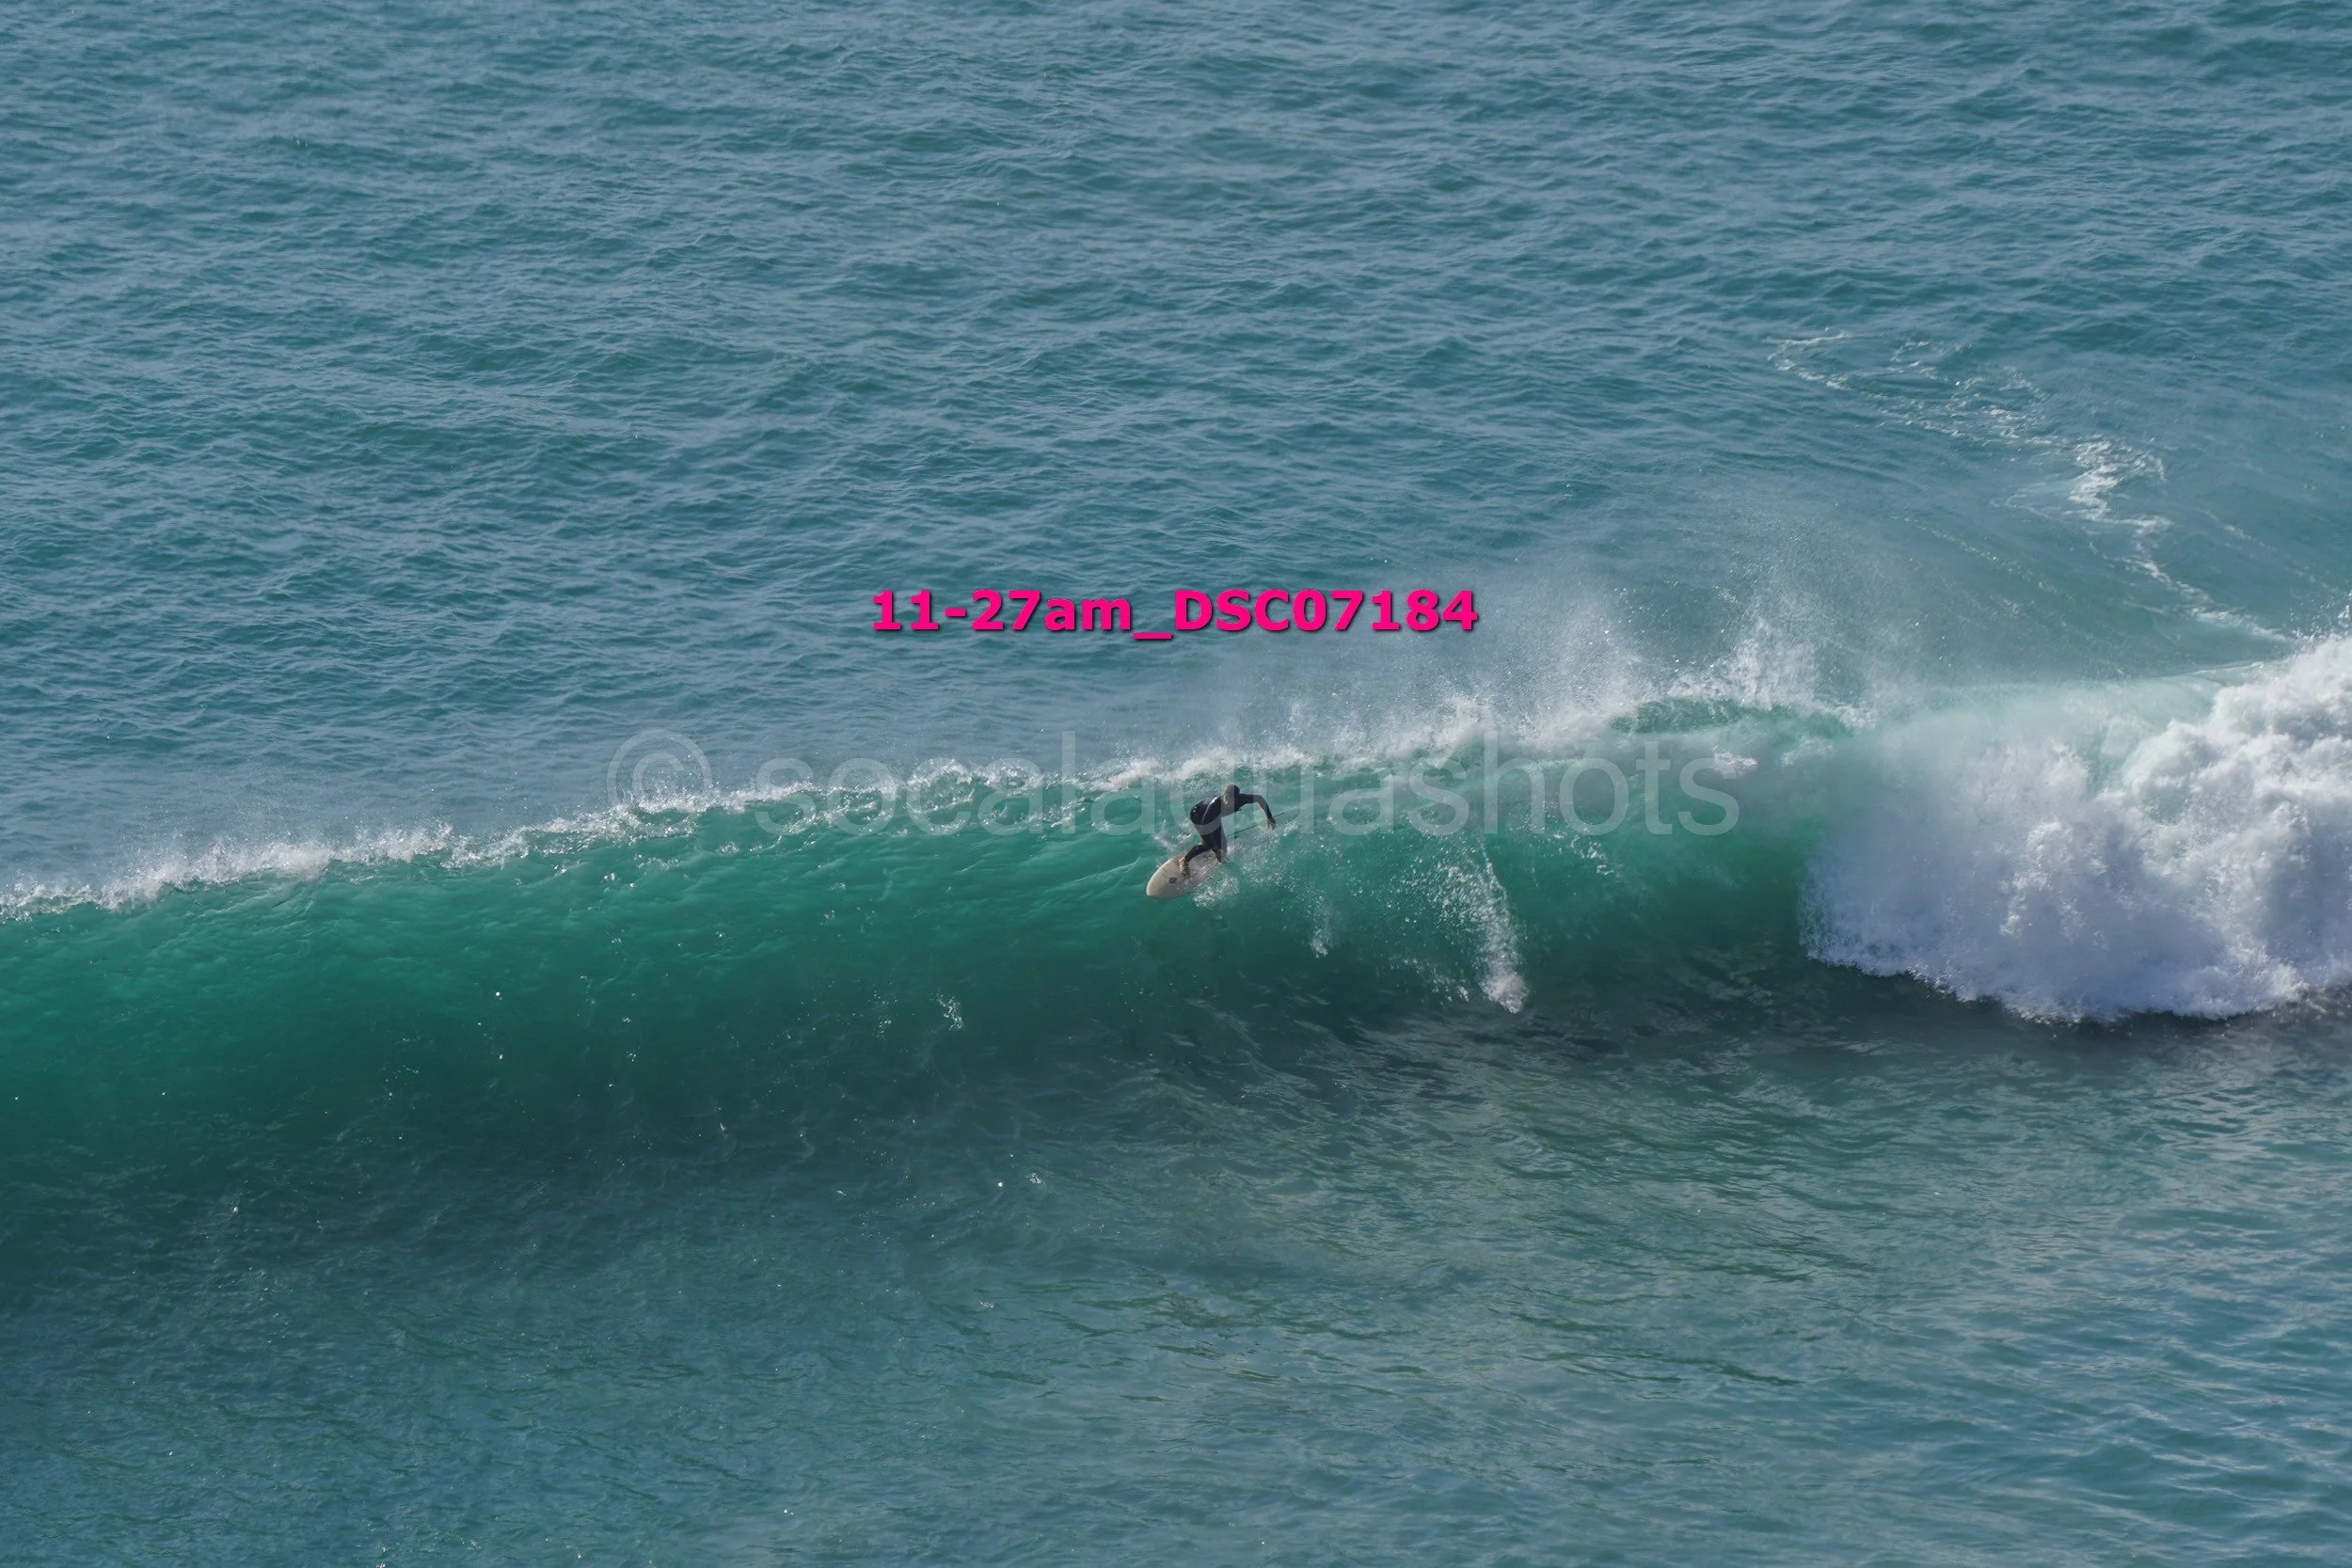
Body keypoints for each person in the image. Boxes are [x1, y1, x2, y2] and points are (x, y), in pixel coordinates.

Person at [1182, 783, 1276, 871]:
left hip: (1215, 817)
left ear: (1237, 798)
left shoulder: (1242, 799)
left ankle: (1208, 849)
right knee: (1208, 845)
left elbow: (1259, 798)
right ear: (1224, 795)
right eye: (1226, 798)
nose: (1227, 801)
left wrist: (1269, 816)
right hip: (1199, 813)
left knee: (1223, 845)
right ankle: (1185, 860)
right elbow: (1205, 828)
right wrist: (1215, 849)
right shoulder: (1214, 806)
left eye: (1232, 799)